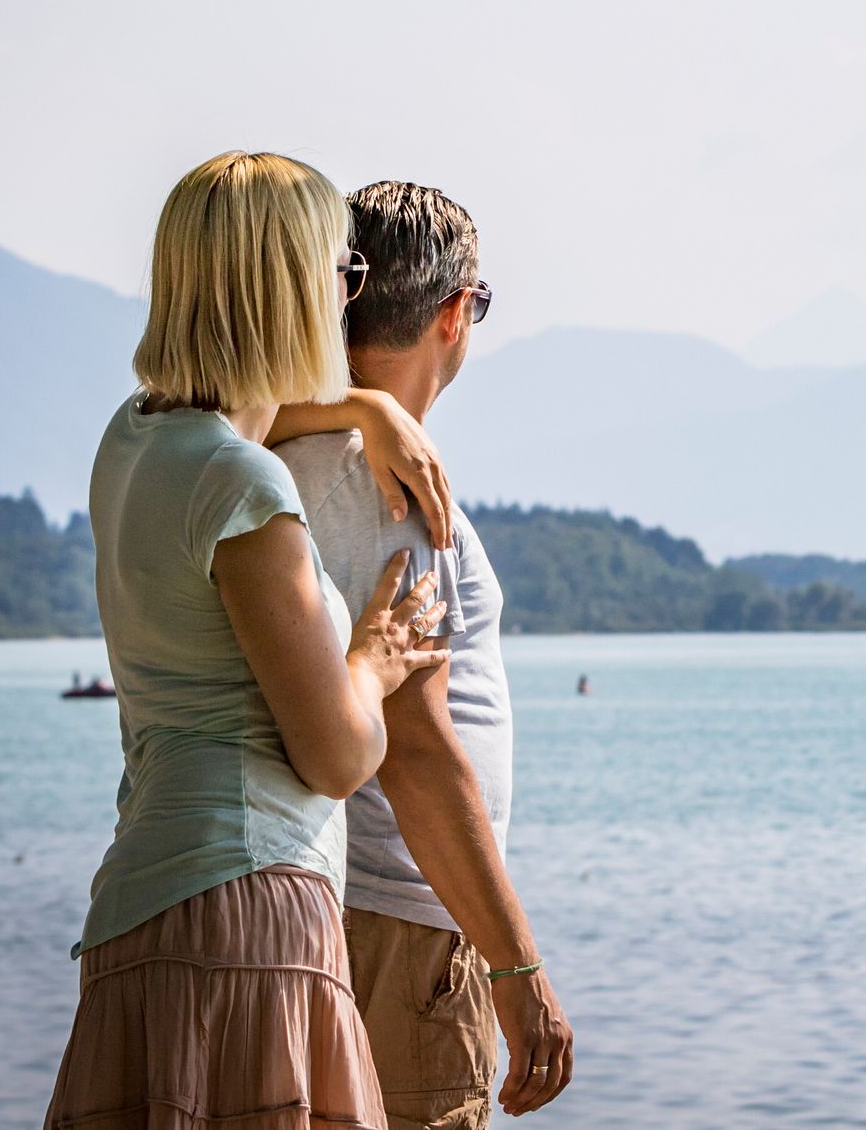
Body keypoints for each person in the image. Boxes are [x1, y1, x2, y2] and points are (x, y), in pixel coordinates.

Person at [45, 152, 449, 1130]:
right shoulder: (247, 491)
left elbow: (244, 411)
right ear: (289, 288)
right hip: (251, 909)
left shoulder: (133, 438)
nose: (348, 299)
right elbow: (337, 752)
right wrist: (375, 654)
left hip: (141, 901)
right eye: (341, 274)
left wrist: (363, 405)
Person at [277, 181, 573, 1126]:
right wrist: (518, 968)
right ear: (454, 314)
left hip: (340, 909)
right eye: (478, 303)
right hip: (404, 921)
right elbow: (415, 749)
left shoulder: (292, 446)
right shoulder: (397, 489)